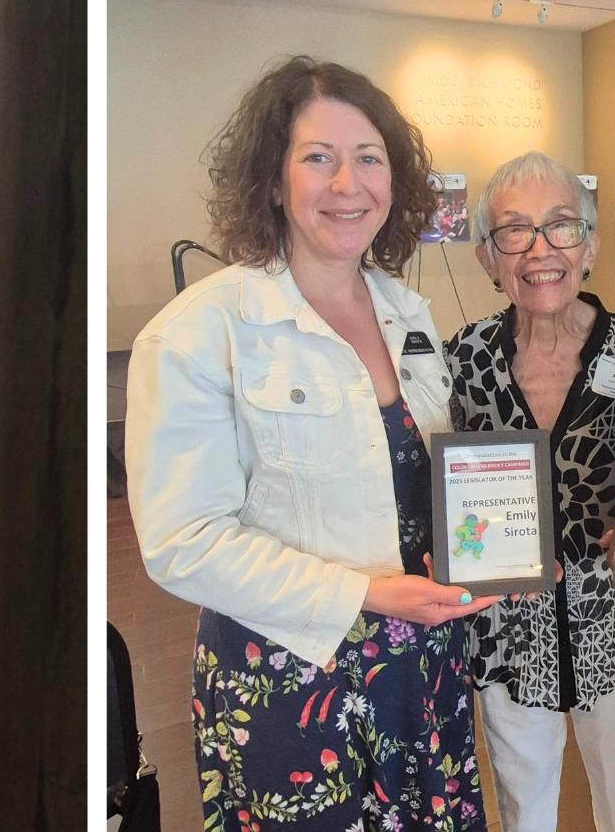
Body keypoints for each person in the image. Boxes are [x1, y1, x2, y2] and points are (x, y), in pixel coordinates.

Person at [127, 56, 500, 831]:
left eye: (369, 158)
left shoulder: (410, 314)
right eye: (318, 158)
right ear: (273, 179)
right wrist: (365, 591)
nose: (347, 183)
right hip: (289, 682)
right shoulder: (201, 332)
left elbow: (421, 482)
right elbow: (182, 543)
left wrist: (496, 547)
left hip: (420, 663)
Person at [445, 151, 615, 832]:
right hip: (507, 628)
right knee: (524, 806)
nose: (540, 249)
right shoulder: (462, 361)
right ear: (488, 258)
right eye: (514, 230)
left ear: (591, 246)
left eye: (561, 226)